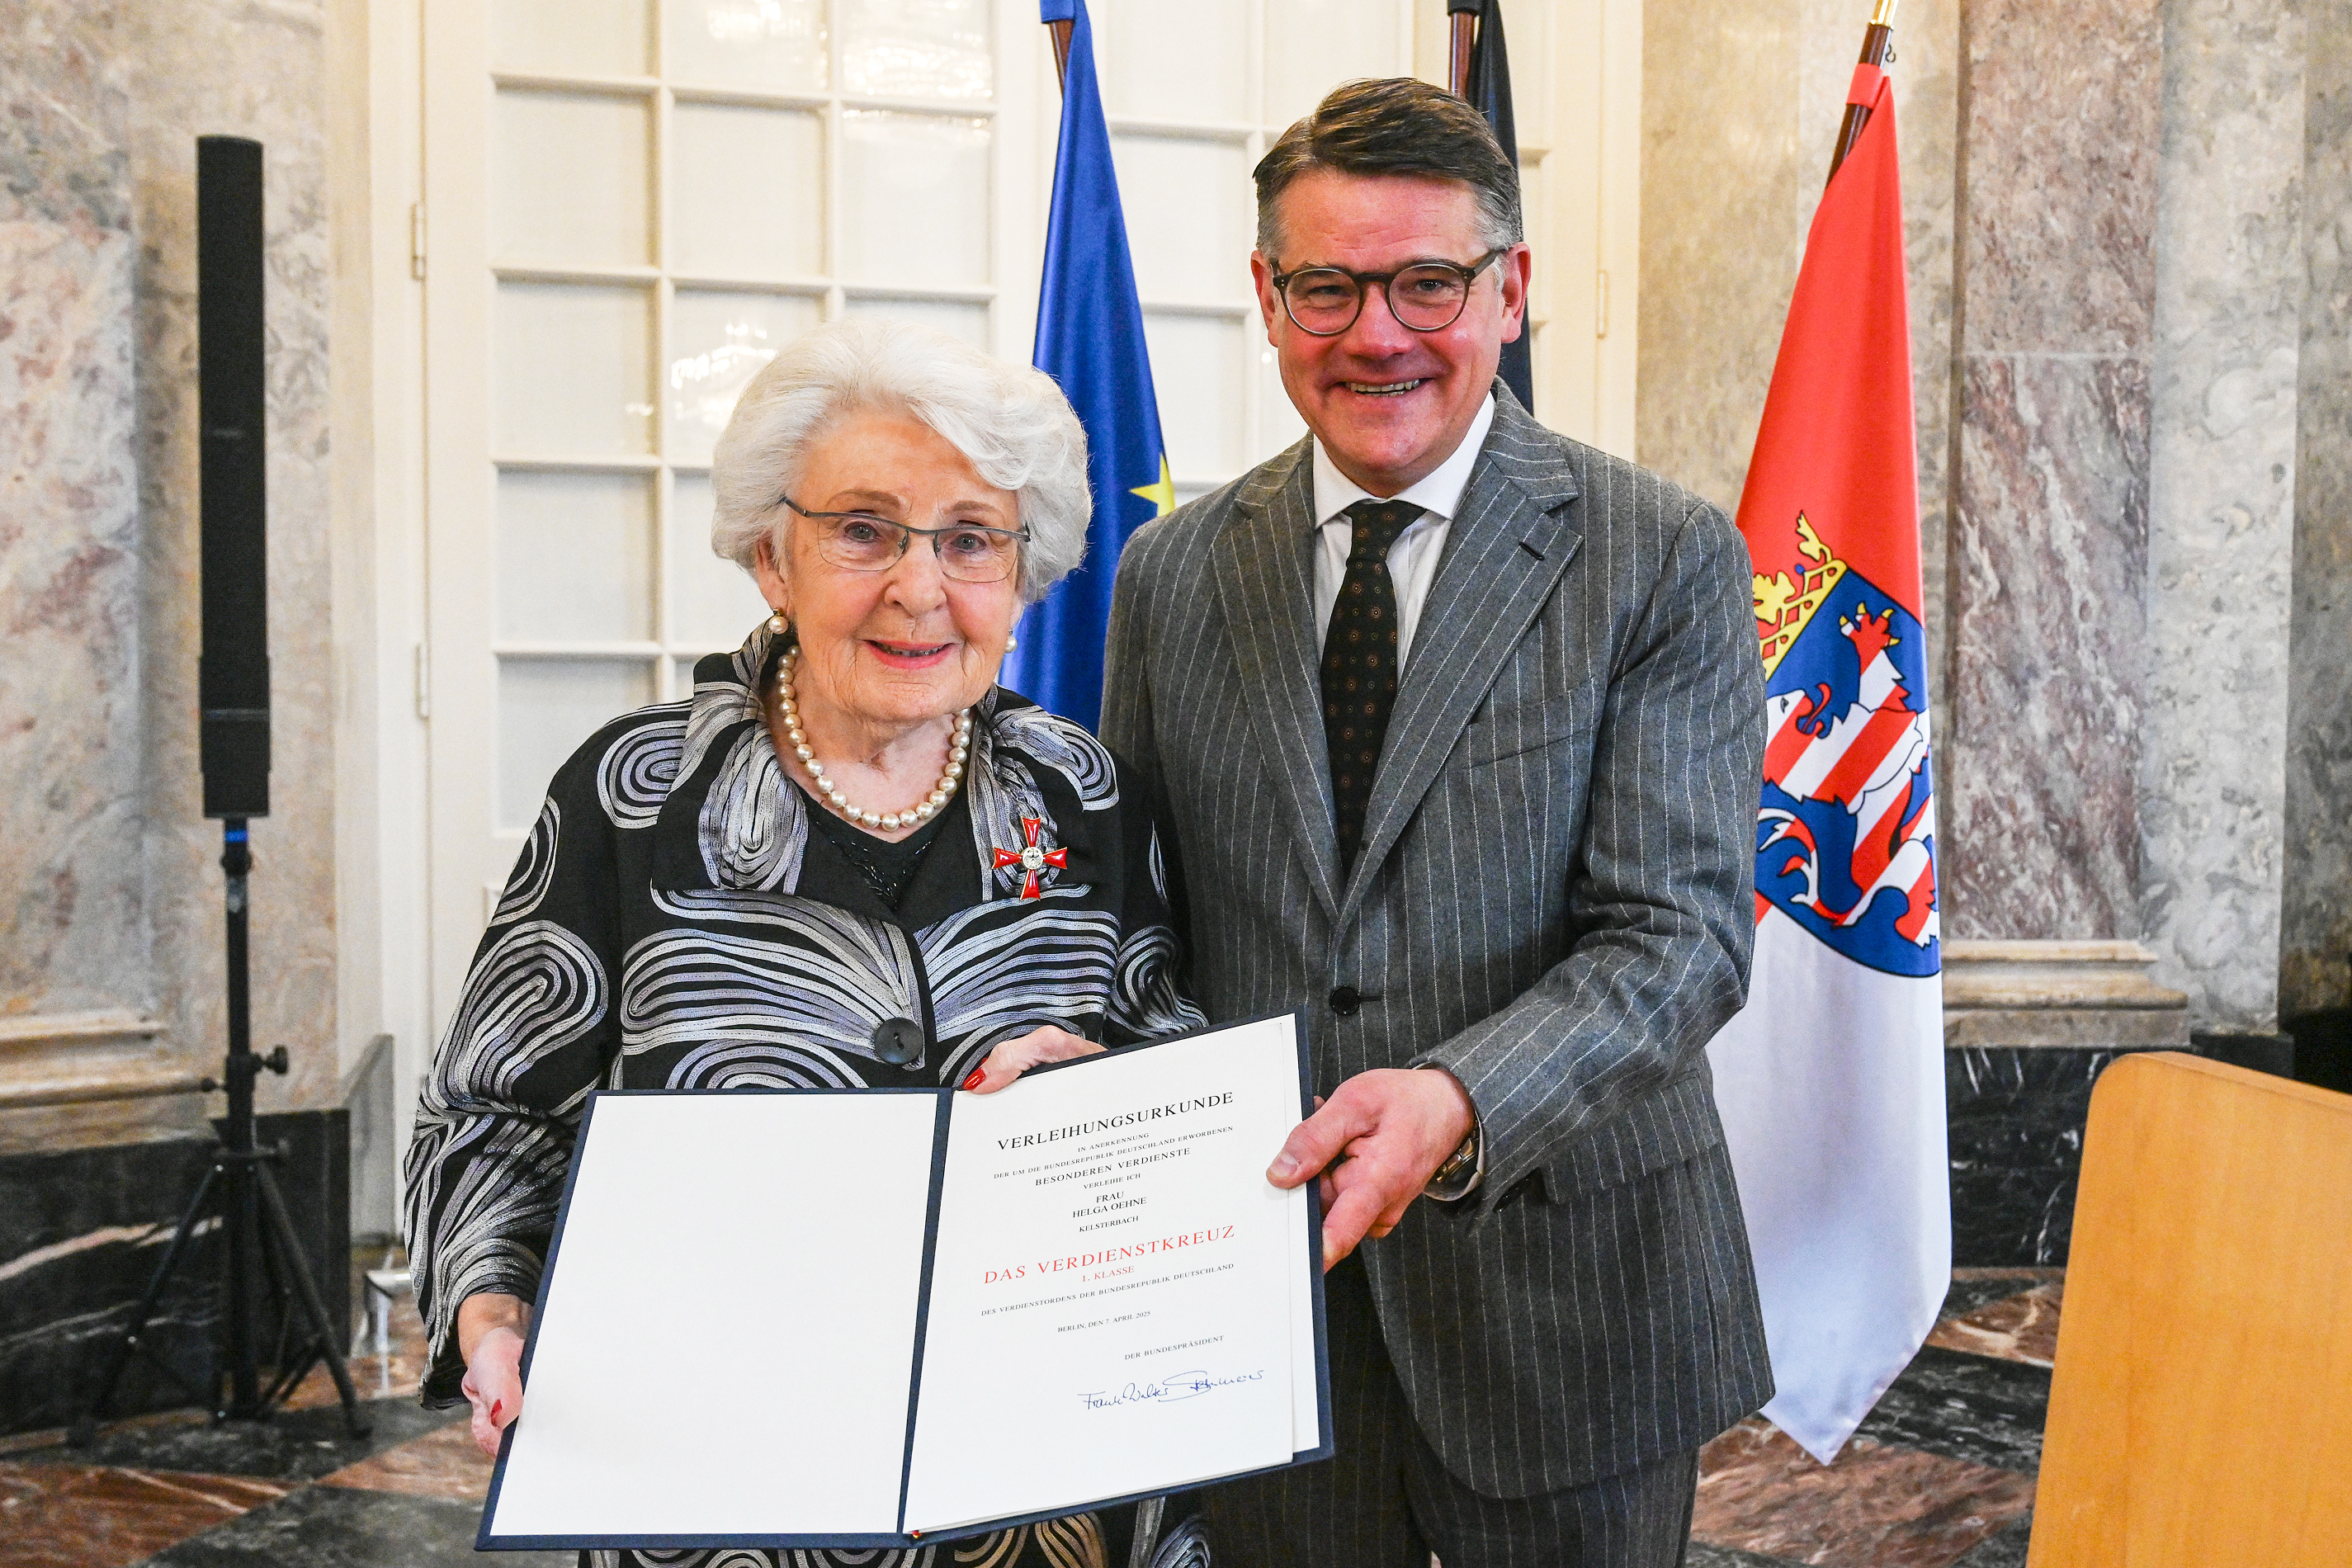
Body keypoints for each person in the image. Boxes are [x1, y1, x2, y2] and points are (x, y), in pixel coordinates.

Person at [404, 317, 1209, 1568]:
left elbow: (1182, 1091)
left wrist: (1109, 1105)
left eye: (970, 539)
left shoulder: (1083, 794)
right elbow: (488, 1112)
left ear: (1022, 575)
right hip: (722, 1491)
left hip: (1035, 1483)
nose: (919, 589)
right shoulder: (635, 793)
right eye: (863, 530)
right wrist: (493, 1313)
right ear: (771, 557)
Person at [1101, 78, 1773, 1568]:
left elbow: (1678, 941)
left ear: (1509, 290)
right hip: (1264, 1313)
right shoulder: (1170, 573)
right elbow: (1140, 923)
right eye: (1328, 288)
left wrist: (1458, 1098)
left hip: (1571, 1308)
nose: (1377, 333)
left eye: (1427, 283)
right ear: (1267, 299)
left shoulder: (1659, 555)